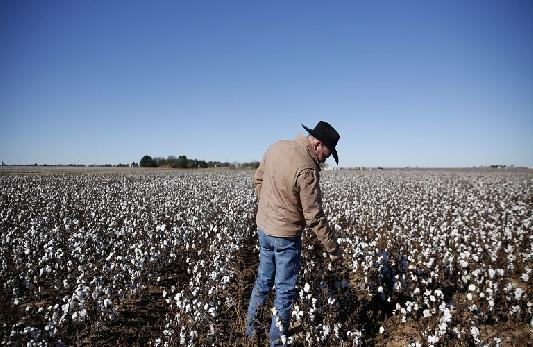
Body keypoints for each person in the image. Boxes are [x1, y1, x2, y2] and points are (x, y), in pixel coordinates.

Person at [245, 121, 343, 346]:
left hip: (263, 228)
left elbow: (258, 179)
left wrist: (272, 208)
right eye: (326, 155)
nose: (324, 160)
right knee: (284, 291)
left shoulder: (277, 146)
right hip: (285, 237)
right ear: (318, 144)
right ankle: (276, 342)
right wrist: (333, 249)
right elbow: (314, 217)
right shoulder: (307, 168)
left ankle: (250, 333)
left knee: (263, 280)